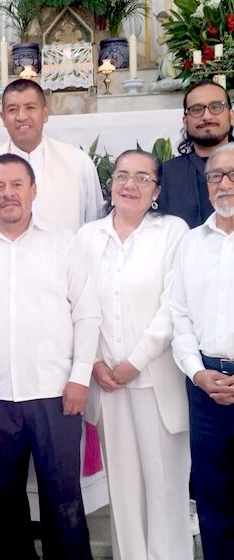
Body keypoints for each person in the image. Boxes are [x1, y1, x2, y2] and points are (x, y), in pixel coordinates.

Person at [0, 154, 100, 560]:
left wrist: (79, 377)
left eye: (17, 185)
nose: (8, 194)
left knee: (63, 498)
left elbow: (87, 313)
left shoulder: (64, 241)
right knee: (2, 501)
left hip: (55, 392)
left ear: (34, 190)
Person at [76, 150, 192, 560]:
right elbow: (77, 302)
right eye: (123, 175)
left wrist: (133, 362)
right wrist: (94, 362)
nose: (130, 184)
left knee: (165, 488)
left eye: (143, 178)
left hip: (155, 380)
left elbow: (174, 305)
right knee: (123, 492)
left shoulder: (172, 232)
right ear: (110, 184)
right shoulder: (87, 237)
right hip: (106, 383)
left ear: (156, 190)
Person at [170, 141, 234, 560]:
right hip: (206, 389)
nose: (224, 184)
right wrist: (197, 372)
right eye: (215, 176)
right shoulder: (191, 244)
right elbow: (179, 316)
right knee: (213, 501)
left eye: (232, 175)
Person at [0, 78, 103, 232]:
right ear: (3, 118)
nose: (21, 116)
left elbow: (94, 229)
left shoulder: (78, 163)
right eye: (12, 109)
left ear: (45, 114)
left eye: (30, 107)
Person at [159, 80, 234, 228]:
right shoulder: (166, 174)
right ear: (185, 121)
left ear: (231, 116)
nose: (206, 116)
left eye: (216, 107)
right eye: (197, 109)